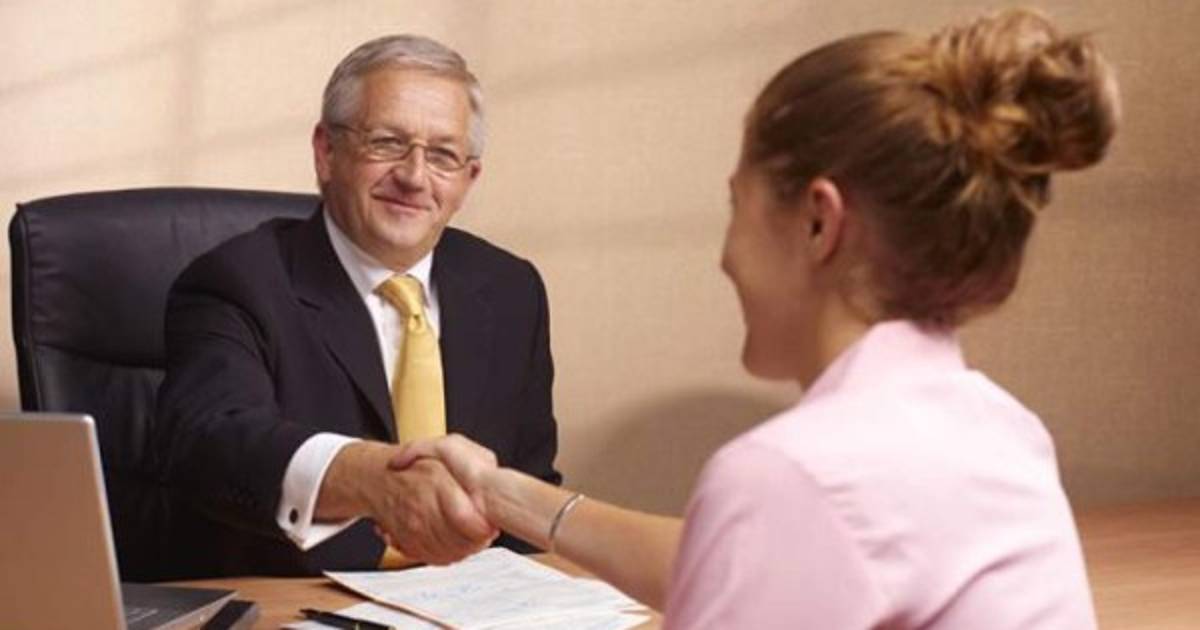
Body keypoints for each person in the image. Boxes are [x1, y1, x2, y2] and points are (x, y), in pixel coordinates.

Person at [392, 9, 1118, 628]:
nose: (725, 258)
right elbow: (730, 561)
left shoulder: (792, 477)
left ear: (818, 223)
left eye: (736, 204)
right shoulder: (1001, 427)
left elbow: (777, 530)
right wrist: (502, 492)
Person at [154, 34, 561, 577]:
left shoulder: (510, 289)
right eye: (387, 143)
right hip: (307, 601)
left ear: (469, 179)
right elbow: (211, 443)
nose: (414, 177)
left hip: (472, 606)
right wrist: (374, 480)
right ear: (326, 152)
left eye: (443, 155)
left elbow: (527, 490)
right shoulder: (238, 281)